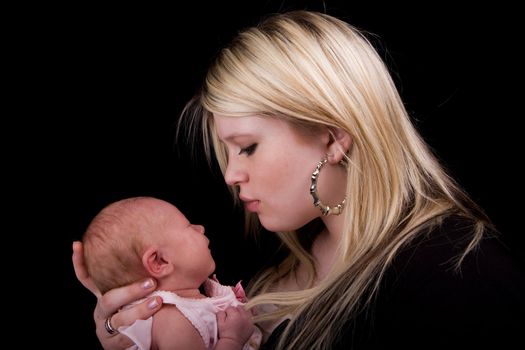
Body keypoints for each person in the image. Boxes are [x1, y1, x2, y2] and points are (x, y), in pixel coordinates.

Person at [73, 10, 525, 349]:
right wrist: (135, 328)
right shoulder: (263, 249)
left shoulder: (457, 276)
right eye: (227, 151)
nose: (230, 174)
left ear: (332, 138)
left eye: (247, 146)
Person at [81, 196, 260, 350]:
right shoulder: (173, 321)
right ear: (160, 261)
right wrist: (232, 340)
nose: (201, 228)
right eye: (189, 226)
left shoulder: (187, 306)